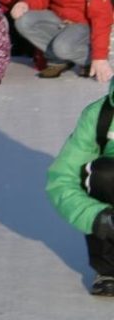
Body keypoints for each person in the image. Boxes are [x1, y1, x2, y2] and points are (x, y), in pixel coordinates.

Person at [46, 84, 114, 296]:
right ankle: (109, 271)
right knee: (102, 174)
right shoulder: (100, 115)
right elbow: (62, 179)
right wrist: (97, 217)